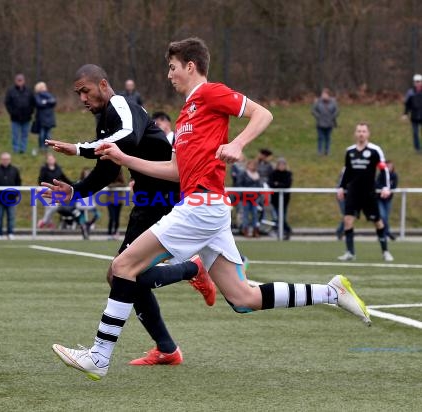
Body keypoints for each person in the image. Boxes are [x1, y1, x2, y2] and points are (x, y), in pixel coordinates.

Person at [51, 38, 371, 381]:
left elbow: (263, 113)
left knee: (123, 266)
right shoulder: (184, 114)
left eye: (173, 68)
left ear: (191, 66)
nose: (169, 75)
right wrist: (125, 159)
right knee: (243, 298)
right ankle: (332, 291)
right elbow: (175, 171)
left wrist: (237, 143)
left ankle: (99, 356)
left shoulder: (209, 93)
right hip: (207, 209)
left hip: (201, 207)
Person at [42, 64, 216, 367]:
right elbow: (108, 170)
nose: (82, 97)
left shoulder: (120, 105)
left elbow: (129, 136)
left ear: (104, 84)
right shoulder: (104, 121)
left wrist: (80, 149)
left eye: (86, 90)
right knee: (122, 274)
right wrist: (75, 191)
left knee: (122, 272)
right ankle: (167, 348)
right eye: (78, 93)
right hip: (149, 201)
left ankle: (191, 271)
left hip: (164, 197)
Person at [337, 122, 393, 262]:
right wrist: (341, 187)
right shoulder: (349, 151)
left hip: (369, 193)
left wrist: (386, 187)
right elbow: (347, 171)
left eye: (364, 131)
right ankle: (350, 252)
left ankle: (385, 251)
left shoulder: (375, 150)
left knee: (378, 222)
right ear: (355, 134)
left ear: (368, 134)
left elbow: (383, 168)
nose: (361, 133)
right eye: (359, 131)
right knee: (348, 220)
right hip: (353, 192)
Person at [0, 152, 22, 240]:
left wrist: (15, 194)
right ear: (1, 160)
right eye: (4, 159)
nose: (5, 161)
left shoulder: (14, 170)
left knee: (11, 217)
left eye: (7, 159)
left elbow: (18, 182)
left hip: (11, 199)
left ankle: (10, 233)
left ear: (10, 160)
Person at [37, 153, 71, 229]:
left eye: (52, 159)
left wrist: (73, 184)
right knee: (53, 207)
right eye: (49, 159)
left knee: (50, 208)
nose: (51, 161)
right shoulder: (44, 169)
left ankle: (45, 222)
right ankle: (46, 222)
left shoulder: (58, 169)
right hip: (46, 190)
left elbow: (64, 178)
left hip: (56, 191)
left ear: (54, 160)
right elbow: (40, 181)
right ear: (47, 161)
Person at [4, 74, 35, 154]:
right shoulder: (11, 91)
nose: (20, 82)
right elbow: (7, 103)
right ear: (15, 81)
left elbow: (33, 103)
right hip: (15, 118)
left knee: (25, 135)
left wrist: (30, 112)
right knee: (15, 135)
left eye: (21, 80)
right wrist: (12, 112)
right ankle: (15, 150)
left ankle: (23, 150)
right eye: (18, 80)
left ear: (24, 81)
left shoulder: (29, 90)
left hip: (27, 117)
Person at [237, 159, 263, 237]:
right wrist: (244, 192)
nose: (252, 166)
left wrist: (258, 194)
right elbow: (239, 184)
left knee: (255, 214)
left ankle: (255, 231)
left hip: (255, 198)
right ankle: (246, 231)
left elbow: (260, 186)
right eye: (251, 165)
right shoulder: (243, 174)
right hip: (245, 197)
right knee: (246, 214)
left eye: (254, 165)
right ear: (247, 165)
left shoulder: (257, 175)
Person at [269, 157, 293, 240]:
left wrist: (277, 184)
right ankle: (287, 230)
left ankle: (285, 231)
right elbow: (271, 183)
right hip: (275, 199)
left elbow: (287, 184)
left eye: (283, 164)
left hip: (285, 199)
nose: (282, 166)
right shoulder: (273, 173)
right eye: (280, 164)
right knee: (277, 217)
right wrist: (279, 184)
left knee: (282, 216)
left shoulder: (288, 174)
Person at [312, 88, 339, 156]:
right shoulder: (318, 102)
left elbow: (337, 111)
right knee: (320, 138)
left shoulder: (333, 102)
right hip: (320, 124)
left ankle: (327, 151)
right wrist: (318, 116)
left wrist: (332, 117)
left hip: (329, 123)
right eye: (322, 94)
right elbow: (313, 110)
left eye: (325, 95)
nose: (323, 96)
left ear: (328, 95)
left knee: (328, 138)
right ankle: (319, 151)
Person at [32, 82, 57, 154]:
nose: (45, 88)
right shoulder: (37, 96)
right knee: (42, 134)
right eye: (43, 87)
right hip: (41, 118)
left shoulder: (49, 95)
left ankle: (48, 148)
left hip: (49, 117)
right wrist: (47, 102)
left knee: (48, 134)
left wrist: (45, 102)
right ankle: (41, 148)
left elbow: (53, 102)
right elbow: (39, 104)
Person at [377, 160, 398, 241]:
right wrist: (383, 188)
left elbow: (394, 186)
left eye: (390, 166)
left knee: (385, 217)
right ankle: (386, 232)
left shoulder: (394, 175)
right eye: (387, 166)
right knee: (382, 216)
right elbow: (377, 184)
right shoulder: (381, 175)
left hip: (388, 199)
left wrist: (388, 189)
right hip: (380, 199)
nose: (389, 167)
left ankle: (384, 234)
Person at [402, 74, 422, 152]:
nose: (418, 83)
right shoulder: (410, 92)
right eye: (416, 82)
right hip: (414, 116)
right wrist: (405, 114)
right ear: (414, 82)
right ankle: (417, 149)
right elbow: (407, 105)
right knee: (415, 133)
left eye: (419, 81)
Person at [106, 169, 126, 240]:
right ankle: (109, 233)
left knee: (117, 218)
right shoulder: (109, 178)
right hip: (110, 202)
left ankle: (115, 232)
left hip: (119, 202)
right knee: (112, 217)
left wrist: (115, 185)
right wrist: (116, 185)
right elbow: (109, 185)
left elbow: (123, 184)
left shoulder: (121, 179)